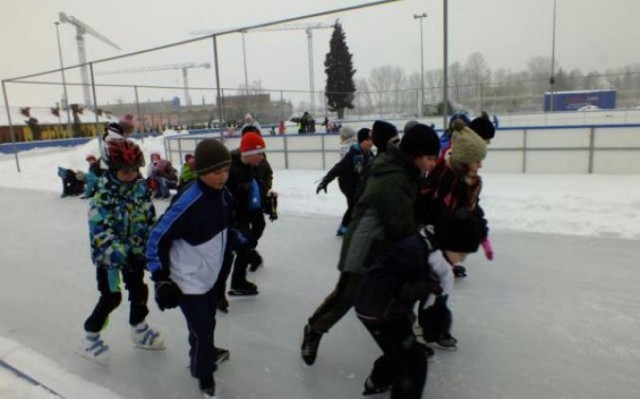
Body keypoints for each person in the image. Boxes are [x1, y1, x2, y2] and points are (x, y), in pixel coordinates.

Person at [300, 124, 441, 366]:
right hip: (364, 249)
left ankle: (405, 345)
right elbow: (402, 225)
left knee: (398, 300)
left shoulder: (408, 172)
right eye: (429, 158)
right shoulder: (392, 178)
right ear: (415, 155)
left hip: (387, 248)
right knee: (346, 297)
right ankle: (315, 328)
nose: (432, 164)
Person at [355, 209, 481, 397]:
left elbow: (431, 304)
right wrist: (423, 286)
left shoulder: (431, 252)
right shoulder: (414, 251)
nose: (462, 259)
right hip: (379, 311)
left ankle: (378, 380)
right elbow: (386, 279)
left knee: (398, 352)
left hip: (391, 309)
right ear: (448, 243)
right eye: (461, 253)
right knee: (414, 363)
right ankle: (383, 381)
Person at [146, 138, 237, 399]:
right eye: (216, 172)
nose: (223, 177)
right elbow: (156, 238)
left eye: (226, 170)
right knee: (202, 328)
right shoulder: (189, 201)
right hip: (187, 280)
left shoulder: (223, 194)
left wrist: (237, 239)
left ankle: (204, 351)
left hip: (208, 275)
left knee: (207, 324)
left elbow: (226, 226)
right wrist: (162, 279)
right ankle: (203, 372)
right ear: (201, 172)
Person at [81, 139, 164, 365]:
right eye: (124, 171)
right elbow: (99, 231)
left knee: (139, 291)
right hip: (109, 258)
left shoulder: (140, 190)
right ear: (112, 169)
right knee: (111, 297)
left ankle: (139, 329)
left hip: (135, 254)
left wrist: (151, 246)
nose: (129, 175)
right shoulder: (103, 195)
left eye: (133, 170)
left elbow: (148, 220)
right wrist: (122, 253)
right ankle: (90, 335)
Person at [216, 132, 275, 301]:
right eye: (259, 153)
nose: (263, 157)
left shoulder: (250, 166)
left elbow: (252, 189)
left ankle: (238, 282)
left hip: (242, 213)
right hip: (228, 217)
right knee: (229, 255)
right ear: (248, 152)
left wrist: (265, 202)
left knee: (245, 246)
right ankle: (218, 293)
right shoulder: (229, 169)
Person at [316, 128, 374, 236]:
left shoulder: (369, 154)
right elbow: (339, 167)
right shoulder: (353, 152)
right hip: (346, 183)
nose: (370, 143)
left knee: (357, 204)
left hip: (358, 183)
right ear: (361, 141)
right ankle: (344, 228)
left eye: (371, 140)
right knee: (354, 204)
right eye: (367, 140)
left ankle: (352, 225)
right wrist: (326, 180)